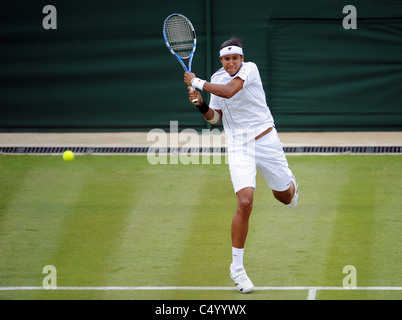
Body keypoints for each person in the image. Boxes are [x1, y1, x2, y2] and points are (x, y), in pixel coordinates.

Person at [184, 37, 298, 294]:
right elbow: (215, 119)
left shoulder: (250, 69)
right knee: (245, 201)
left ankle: (289, 182)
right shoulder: (215, 79)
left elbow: (228, 91)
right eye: (227, 59)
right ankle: (237, 269)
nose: (232, 62)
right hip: (239, 146)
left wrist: (196, 82)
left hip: (266, 140)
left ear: (242, 58)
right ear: (221, 60)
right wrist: (200, 103)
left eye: (236, 58)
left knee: (286, 197)